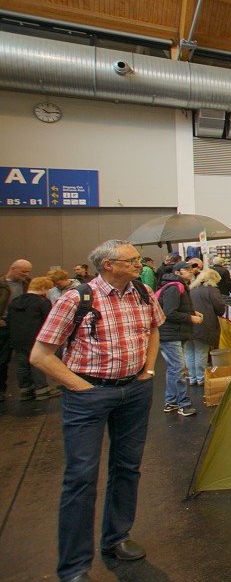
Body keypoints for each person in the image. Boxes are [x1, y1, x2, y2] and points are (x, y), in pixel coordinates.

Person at [30, 239, 163, 582]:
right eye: (131, 260)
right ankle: (74, 566)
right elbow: (41, 355)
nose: (139, 264)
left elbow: (152, 331)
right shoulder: (76, 299)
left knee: (127, 468)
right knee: (80, 478)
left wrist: (147, 370)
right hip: (88, 395)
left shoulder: (143, 293)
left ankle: (116, 537)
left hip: (134, 391)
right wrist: (81, 388)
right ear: (108, 265)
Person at [157, 261, 202, 416]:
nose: (191, 272)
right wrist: (190, 318)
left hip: (172, 333)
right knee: (178, 369)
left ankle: (171, 402)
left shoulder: (178, 286)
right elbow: (169, 313)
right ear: (177, 272)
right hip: (171, 334)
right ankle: (183, 404)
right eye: (187, 269)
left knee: (173, 369)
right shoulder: (175, 287)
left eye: (192, 269)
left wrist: (193, 312)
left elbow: (175, 308)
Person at [7, 276, 60, 400]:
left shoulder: (15, 301)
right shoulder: (42, 302)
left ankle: (25, 390)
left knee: (22, 364)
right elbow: (49, 320)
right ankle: (42, 390)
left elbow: (9, 320)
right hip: (35, 338)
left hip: (17, 338)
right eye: (48, 289)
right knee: (37, 362)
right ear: (42, 288)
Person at [0, 258, 33, 401]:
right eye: (23, 271)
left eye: (27, 272)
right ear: (13, 268)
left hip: (21, 325)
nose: (25, 274)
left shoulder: (26, 282)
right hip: (3, 325)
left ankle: (27, 388)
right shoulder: (2, 284)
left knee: (24, 357)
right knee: (2, 359)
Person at [188, 268, 225, 386]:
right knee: (201, 352)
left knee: (189, 352)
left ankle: (192, 377)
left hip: (188, 324)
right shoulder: (211, 290)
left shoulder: (191, 289)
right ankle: (201, 378)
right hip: (204, 324)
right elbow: (219, 308)